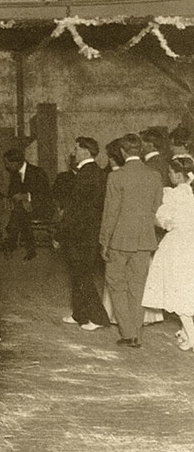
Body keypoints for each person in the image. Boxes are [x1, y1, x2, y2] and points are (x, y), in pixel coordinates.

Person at [99, 133, 163, 349]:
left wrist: (104, 242)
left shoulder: (116, 177)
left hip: (119, 240)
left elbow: (110, 213)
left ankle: (127, 332)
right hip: (145, 240)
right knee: (138, 286)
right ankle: (136, 333)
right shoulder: (154, 176)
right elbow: (157, 207)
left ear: (123, 152)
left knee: (116, 285)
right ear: (140, 150)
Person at [55, 137, 110, 331]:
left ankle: (97, 318)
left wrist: (58, 234)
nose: (73, 152)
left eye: (76, 148)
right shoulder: (94, 172)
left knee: (82, 275)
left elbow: (74, 210)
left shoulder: (87, 174)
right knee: (77, 275)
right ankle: (79, 314)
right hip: (87, 232)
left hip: (81, 234)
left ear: (86, 151)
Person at [142, 155, 194, 352]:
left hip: (177, 247)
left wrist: (160, 220)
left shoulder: (173, 195)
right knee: (188, 290)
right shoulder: (189, 193)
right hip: (191, 244)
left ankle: (192, 336)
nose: (169, 175)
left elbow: (161, 220)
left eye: (171, 173)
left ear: (178, 175)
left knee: (177, 292)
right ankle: (187, 333)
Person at [2, 147, 54, 260]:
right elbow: (12, 192)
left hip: (41, 207)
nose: (6, 166)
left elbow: (45, 195)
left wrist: (27, 197)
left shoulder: (37, 172)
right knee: (21, 212)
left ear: (17, 162)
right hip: (24, 209)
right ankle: (29, 249)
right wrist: (22, 199)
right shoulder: (14, 174)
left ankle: (11, 243)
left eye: (8, 163)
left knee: (19, 212)